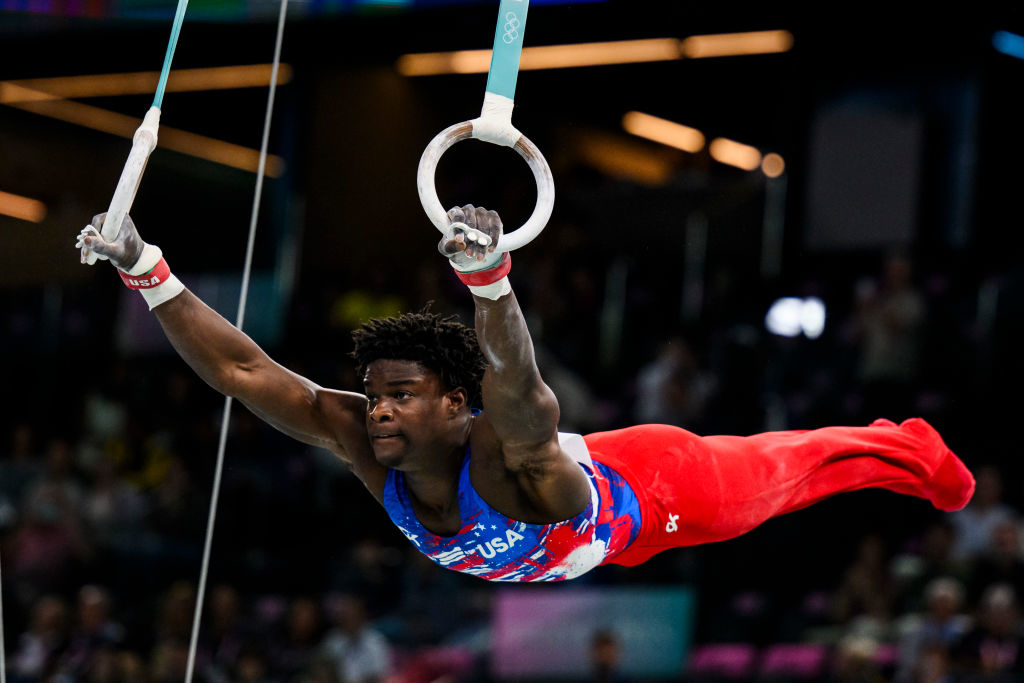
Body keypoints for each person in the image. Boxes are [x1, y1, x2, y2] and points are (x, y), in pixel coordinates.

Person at [76, 206, 976, 583]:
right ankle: (904, 447)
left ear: (453, 403)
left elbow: (519, 388)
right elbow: (243, 373)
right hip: (590, 529)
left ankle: (919, 453)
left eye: (399, 396)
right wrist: (145, 270)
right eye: (373, 395)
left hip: (659, 491)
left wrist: (490, 280)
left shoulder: (505, 449)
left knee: (803, 466)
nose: (376, 410)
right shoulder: (362, 440)